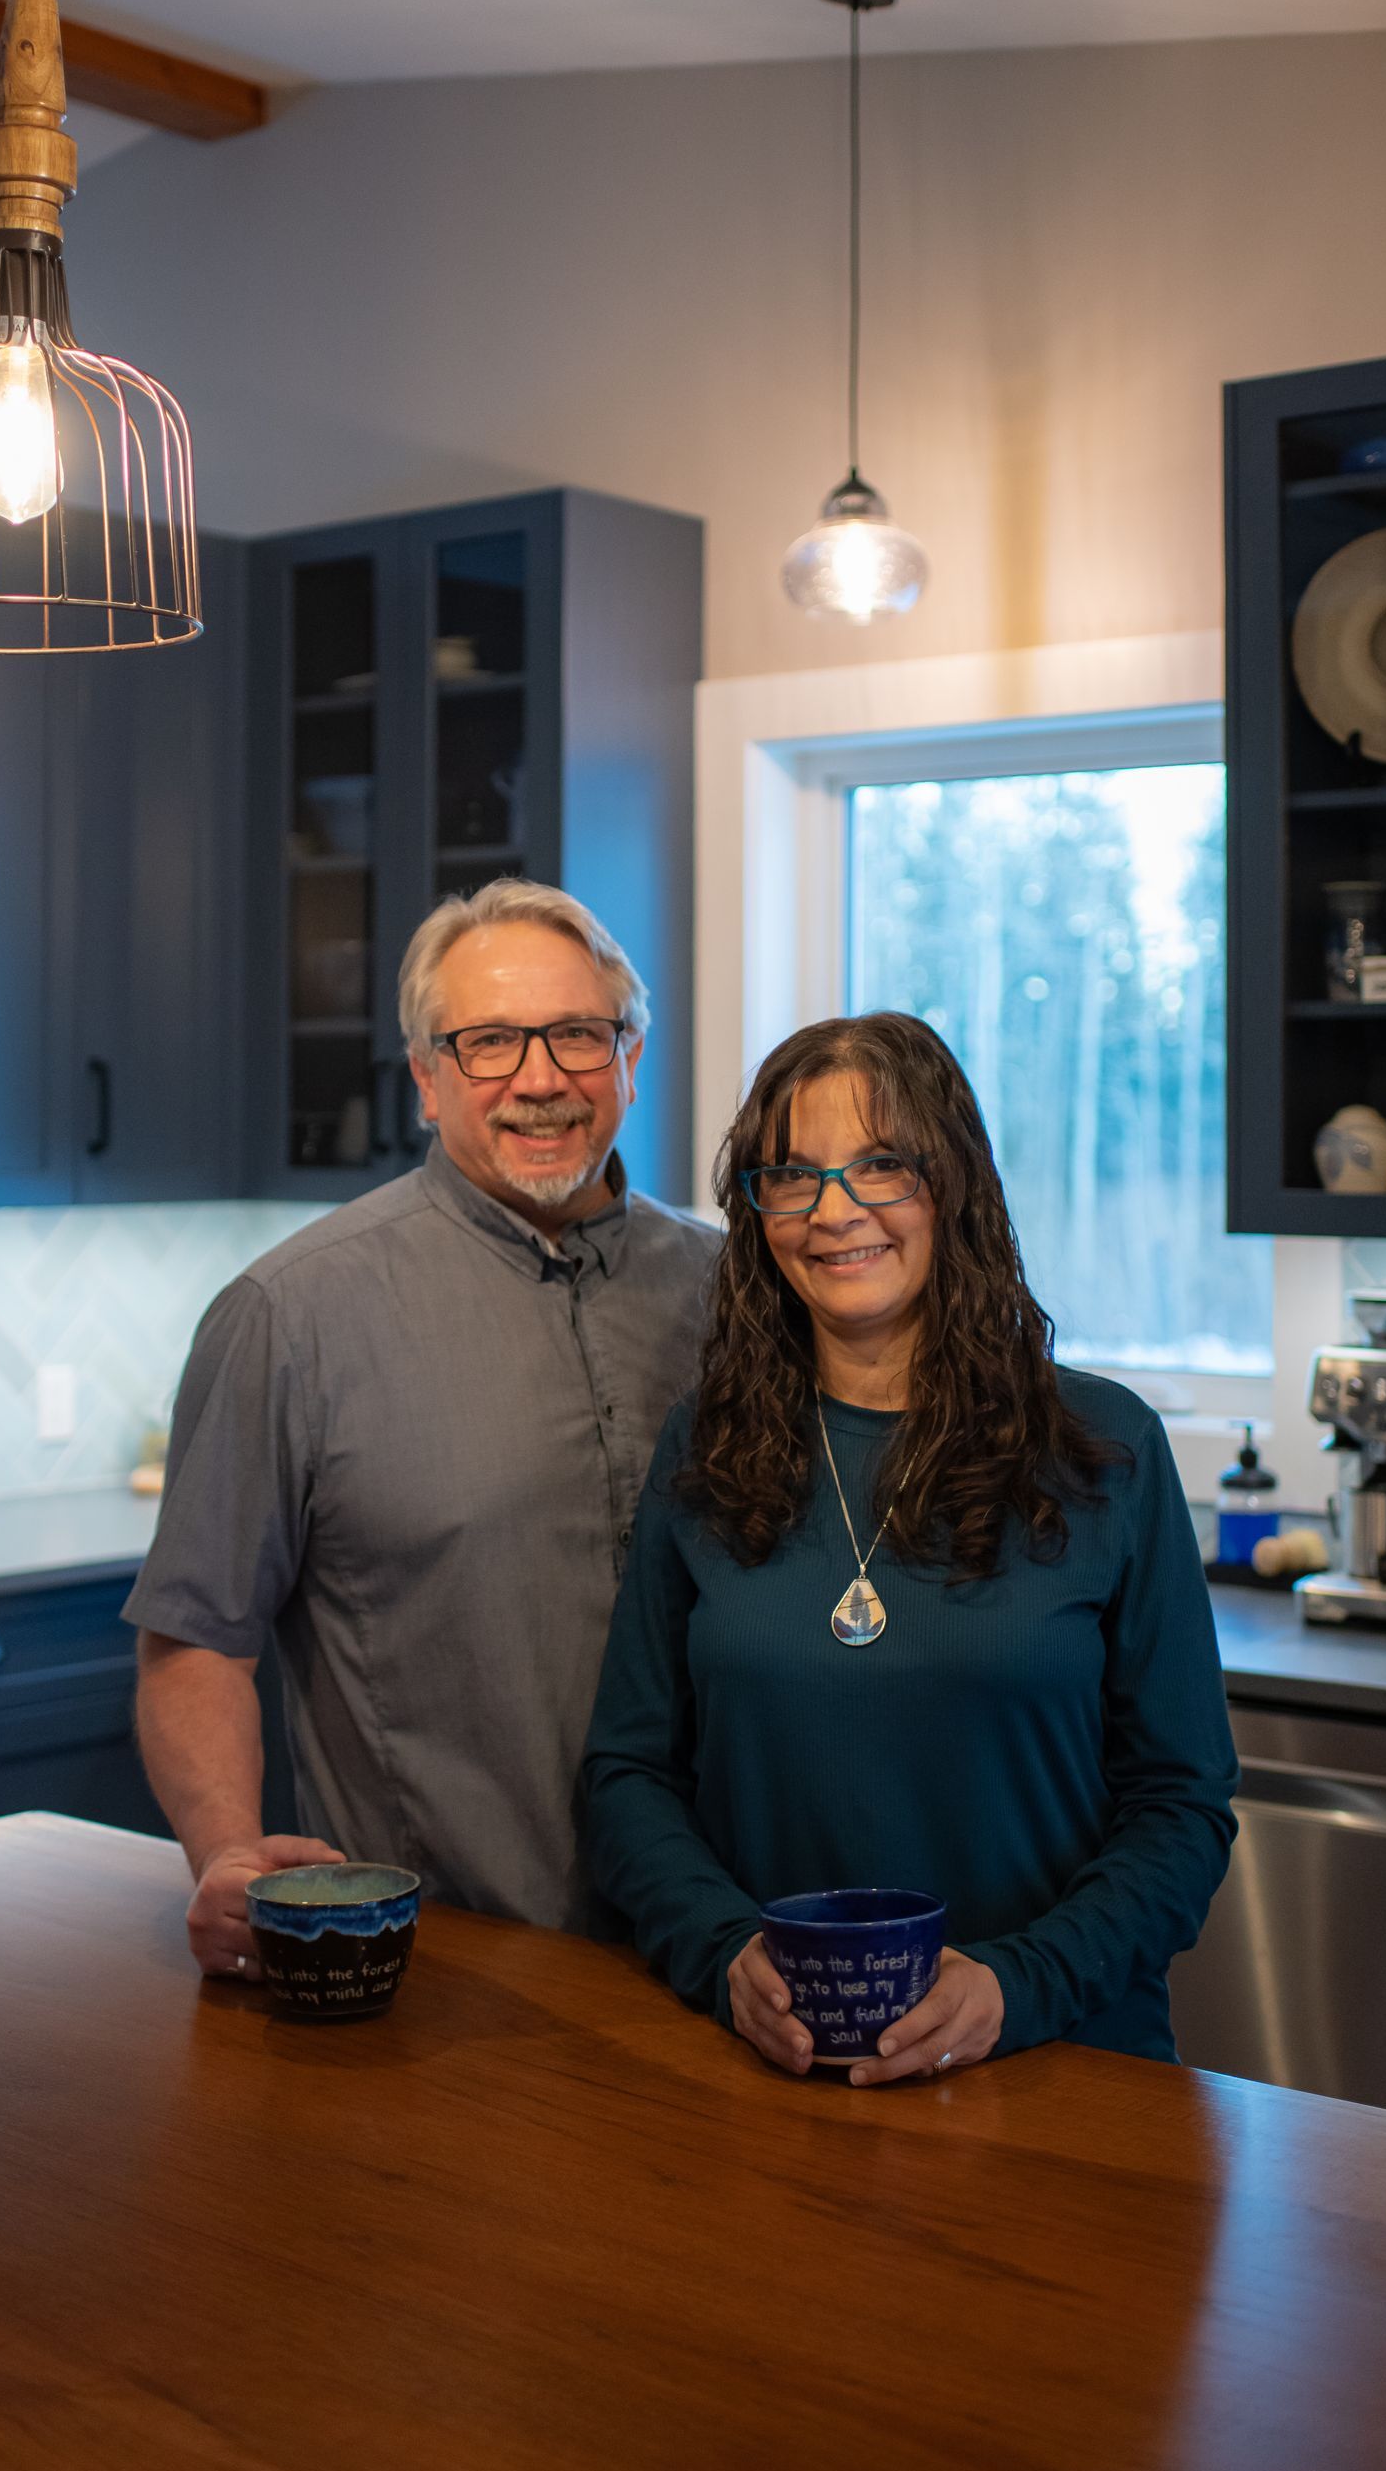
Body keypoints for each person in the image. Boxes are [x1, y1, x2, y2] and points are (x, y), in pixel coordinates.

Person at [582, 1010, 1236, 2087]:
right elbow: (626, 1774)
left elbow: (1184, 1805)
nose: (836, 1213)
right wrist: (722, 1951)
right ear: (758, 1213)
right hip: (775, 2076)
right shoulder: (706, 1445)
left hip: (1064, 2067)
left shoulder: (1106, 1449)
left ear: (953, 1184)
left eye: (880, 1166)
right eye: (793, 1176)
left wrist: (1016, 1983)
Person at [128, 880, 717, 1983]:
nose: (539, 1079)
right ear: (427, 1081)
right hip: (443, 1969)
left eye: (579, 1036)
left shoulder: (732, 1293)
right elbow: (196, 1638)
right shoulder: (291, 1315)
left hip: (721, 1959)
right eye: (490, 1042)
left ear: (631, 1060)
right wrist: (226, 1852)